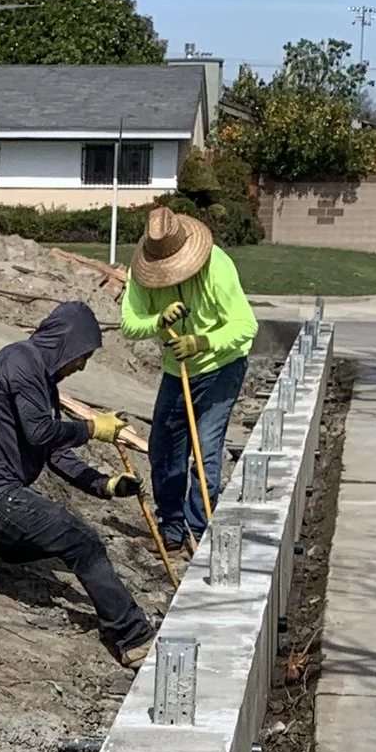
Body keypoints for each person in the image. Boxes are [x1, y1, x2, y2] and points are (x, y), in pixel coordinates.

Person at [0, 299, 156, 666]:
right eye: (81, 356)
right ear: (66, 344)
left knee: (63, 541)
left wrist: (104, 485)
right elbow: (42, 432)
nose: (80, 366)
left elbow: (54, 452)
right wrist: (92, 428)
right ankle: (133, 637)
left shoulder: (42, 381)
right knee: (83, 542)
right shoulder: (20, 363)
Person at [121, 204, 256, 547]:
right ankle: (171, 527)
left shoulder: (218, 266)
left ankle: (199, 528)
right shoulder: (141, 274)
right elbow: (129, 324)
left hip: (221, 366)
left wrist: (203, 342)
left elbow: (246, 325)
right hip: (175, 370)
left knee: (205, 448)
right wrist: (158, 322)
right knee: (164, 447)